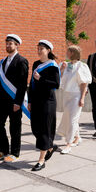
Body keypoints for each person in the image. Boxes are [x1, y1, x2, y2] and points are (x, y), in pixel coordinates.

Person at [0, 34, 29, 163]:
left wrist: (18, 102)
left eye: (10, 43)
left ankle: (15, 153)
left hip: (14, 101)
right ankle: (3, 150)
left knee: (15, 128)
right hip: (2, 100)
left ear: (17, 45)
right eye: (6, 43)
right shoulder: (4, 61)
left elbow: (23, 84)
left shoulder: (22, 61)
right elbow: (1, 82)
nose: (7, 45)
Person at [28, 40, 60, 171]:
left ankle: (41, 160)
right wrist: (29, 101)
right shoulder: (36, 64)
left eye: (42, 48)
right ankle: (50, 147)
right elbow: (31, 83)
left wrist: (40, 78)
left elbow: (56, 84)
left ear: (48, 51)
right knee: (35, 128)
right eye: (38, 48)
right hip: (35, 101)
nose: (39, 50)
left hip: (47, 101)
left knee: (44, 129)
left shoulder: (53, 65)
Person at [57, 46, 91, 154]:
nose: (66, 53)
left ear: (73, 53)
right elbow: (59, 78)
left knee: (72, 119)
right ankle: (77, 137)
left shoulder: (81, 66)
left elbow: (84, 83)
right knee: (69, 118)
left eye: (68, 51)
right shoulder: (66, 65)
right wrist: (61, 69)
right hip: (66, 95)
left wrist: (82, 99)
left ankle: (68, 144)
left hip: (76, 95)